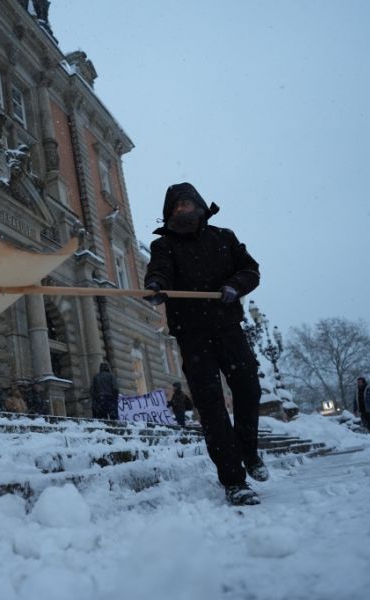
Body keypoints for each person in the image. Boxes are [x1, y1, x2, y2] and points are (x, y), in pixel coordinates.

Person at [144, 182, 266, 506]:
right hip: (192, 334)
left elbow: (251, 270)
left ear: (199, 206)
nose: (183, 210)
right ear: (170, 213)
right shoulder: (165, 245)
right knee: (211, 406)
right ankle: (234, 480)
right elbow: (160, 272)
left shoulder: (223, 237)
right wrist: (156, 285)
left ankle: (249, 451)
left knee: (249, 389)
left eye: (188, 204)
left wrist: (234, 286)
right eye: (177, 206)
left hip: (227, 327)